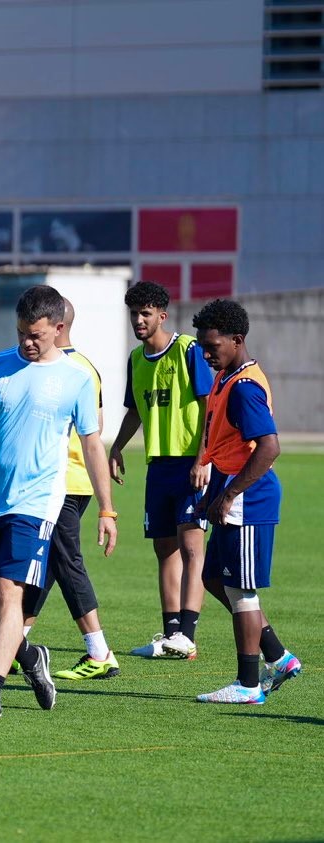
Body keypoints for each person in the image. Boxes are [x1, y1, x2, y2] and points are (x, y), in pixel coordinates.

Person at [0, 285, 117, 720]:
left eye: (35, 335)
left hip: (37, 503)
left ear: (58, 328)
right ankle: (29, 656)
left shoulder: (76, 379)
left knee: (8, 593)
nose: (27, 342)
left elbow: (93, 446)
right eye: (21, 333)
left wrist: (107, 509)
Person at [191, 299, 300, 704]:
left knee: (241, 589)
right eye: (203, 345)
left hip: (249, 498)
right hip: (229, 491)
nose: (206, 353)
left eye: (212, 345)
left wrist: (230, 494)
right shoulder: (226, 376)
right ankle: (279, 656)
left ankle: (249, 684)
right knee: (214, 580)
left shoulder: (244, 388)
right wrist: (214, 492)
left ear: (237, 340)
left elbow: (269, 447)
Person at [109, 281, 213, 659]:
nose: (138, 320)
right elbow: (135, 410)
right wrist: (117, 447)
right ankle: (171, 635)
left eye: (145, 313)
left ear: (162, 316)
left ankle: (188, 634)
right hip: (158, 466)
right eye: (134, 313)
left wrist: (204, 459)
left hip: (190, 463)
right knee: (164, 550)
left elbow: (209, 406)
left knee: (191, 547)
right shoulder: (136, 360)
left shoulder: (189, 350)